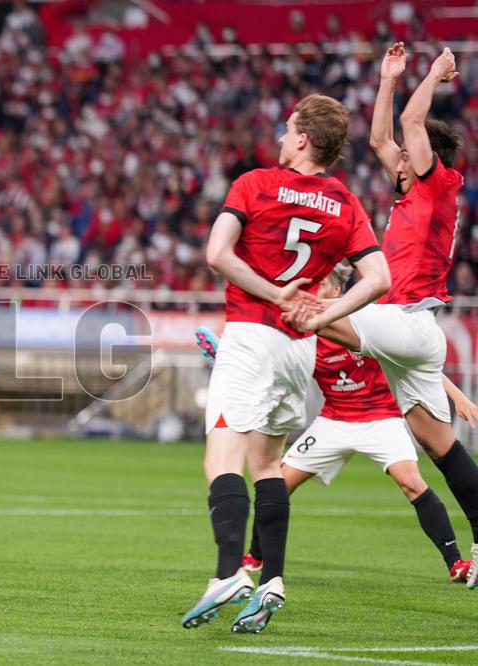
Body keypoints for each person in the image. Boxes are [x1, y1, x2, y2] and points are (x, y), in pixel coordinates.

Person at [182, 94, 391, 634]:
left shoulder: (254, 183)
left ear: (302, 139)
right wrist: (323, 314)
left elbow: (218, 255)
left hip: (252, 332)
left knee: (222, 454)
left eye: (287, 129)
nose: (280, 136)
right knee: (269, 465)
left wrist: (276, 295)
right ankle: (271, 579)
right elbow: (379, 279)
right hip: (299, 349)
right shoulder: (346, 202)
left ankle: (230, 572)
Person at [289, 46, 478, 590]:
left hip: (406, 319)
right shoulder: (414, 190)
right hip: (411, 333)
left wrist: (435, 73)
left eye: (404, 156)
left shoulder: (437, 182)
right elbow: (379, 137)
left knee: (313, 312)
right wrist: (388, 78)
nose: (392, 159)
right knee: (440, 446)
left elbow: (412, 122)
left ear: (423, 158)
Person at [197, 263, 477, 584]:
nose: (314, 290)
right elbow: (273, 362)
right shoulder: (307, 330)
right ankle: (256, 556)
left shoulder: (362, 321)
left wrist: (457, 396)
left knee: (412, 482)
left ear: (337, 289)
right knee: (279, 481)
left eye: (320, 284)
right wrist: (230, 357)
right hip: (333, 420)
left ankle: (455, 563)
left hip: (380, 418)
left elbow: (416, 360)